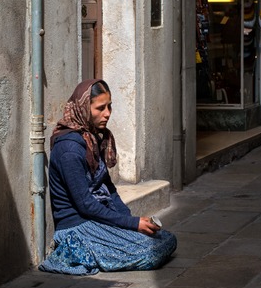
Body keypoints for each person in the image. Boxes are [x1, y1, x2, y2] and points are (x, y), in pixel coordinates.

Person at [39, 79, 177, 275]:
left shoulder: (92, 138)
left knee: (167, 239)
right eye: (100, 108)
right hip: (78, 228)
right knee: (152, 251)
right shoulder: (69, 149)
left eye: (109, 106)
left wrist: (129, 221)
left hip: (96, 219)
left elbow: (109, 190)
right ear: (84, 108)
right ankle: (73, 252)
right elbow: (86, 205)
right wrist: (131, 224)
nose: (107, 114)